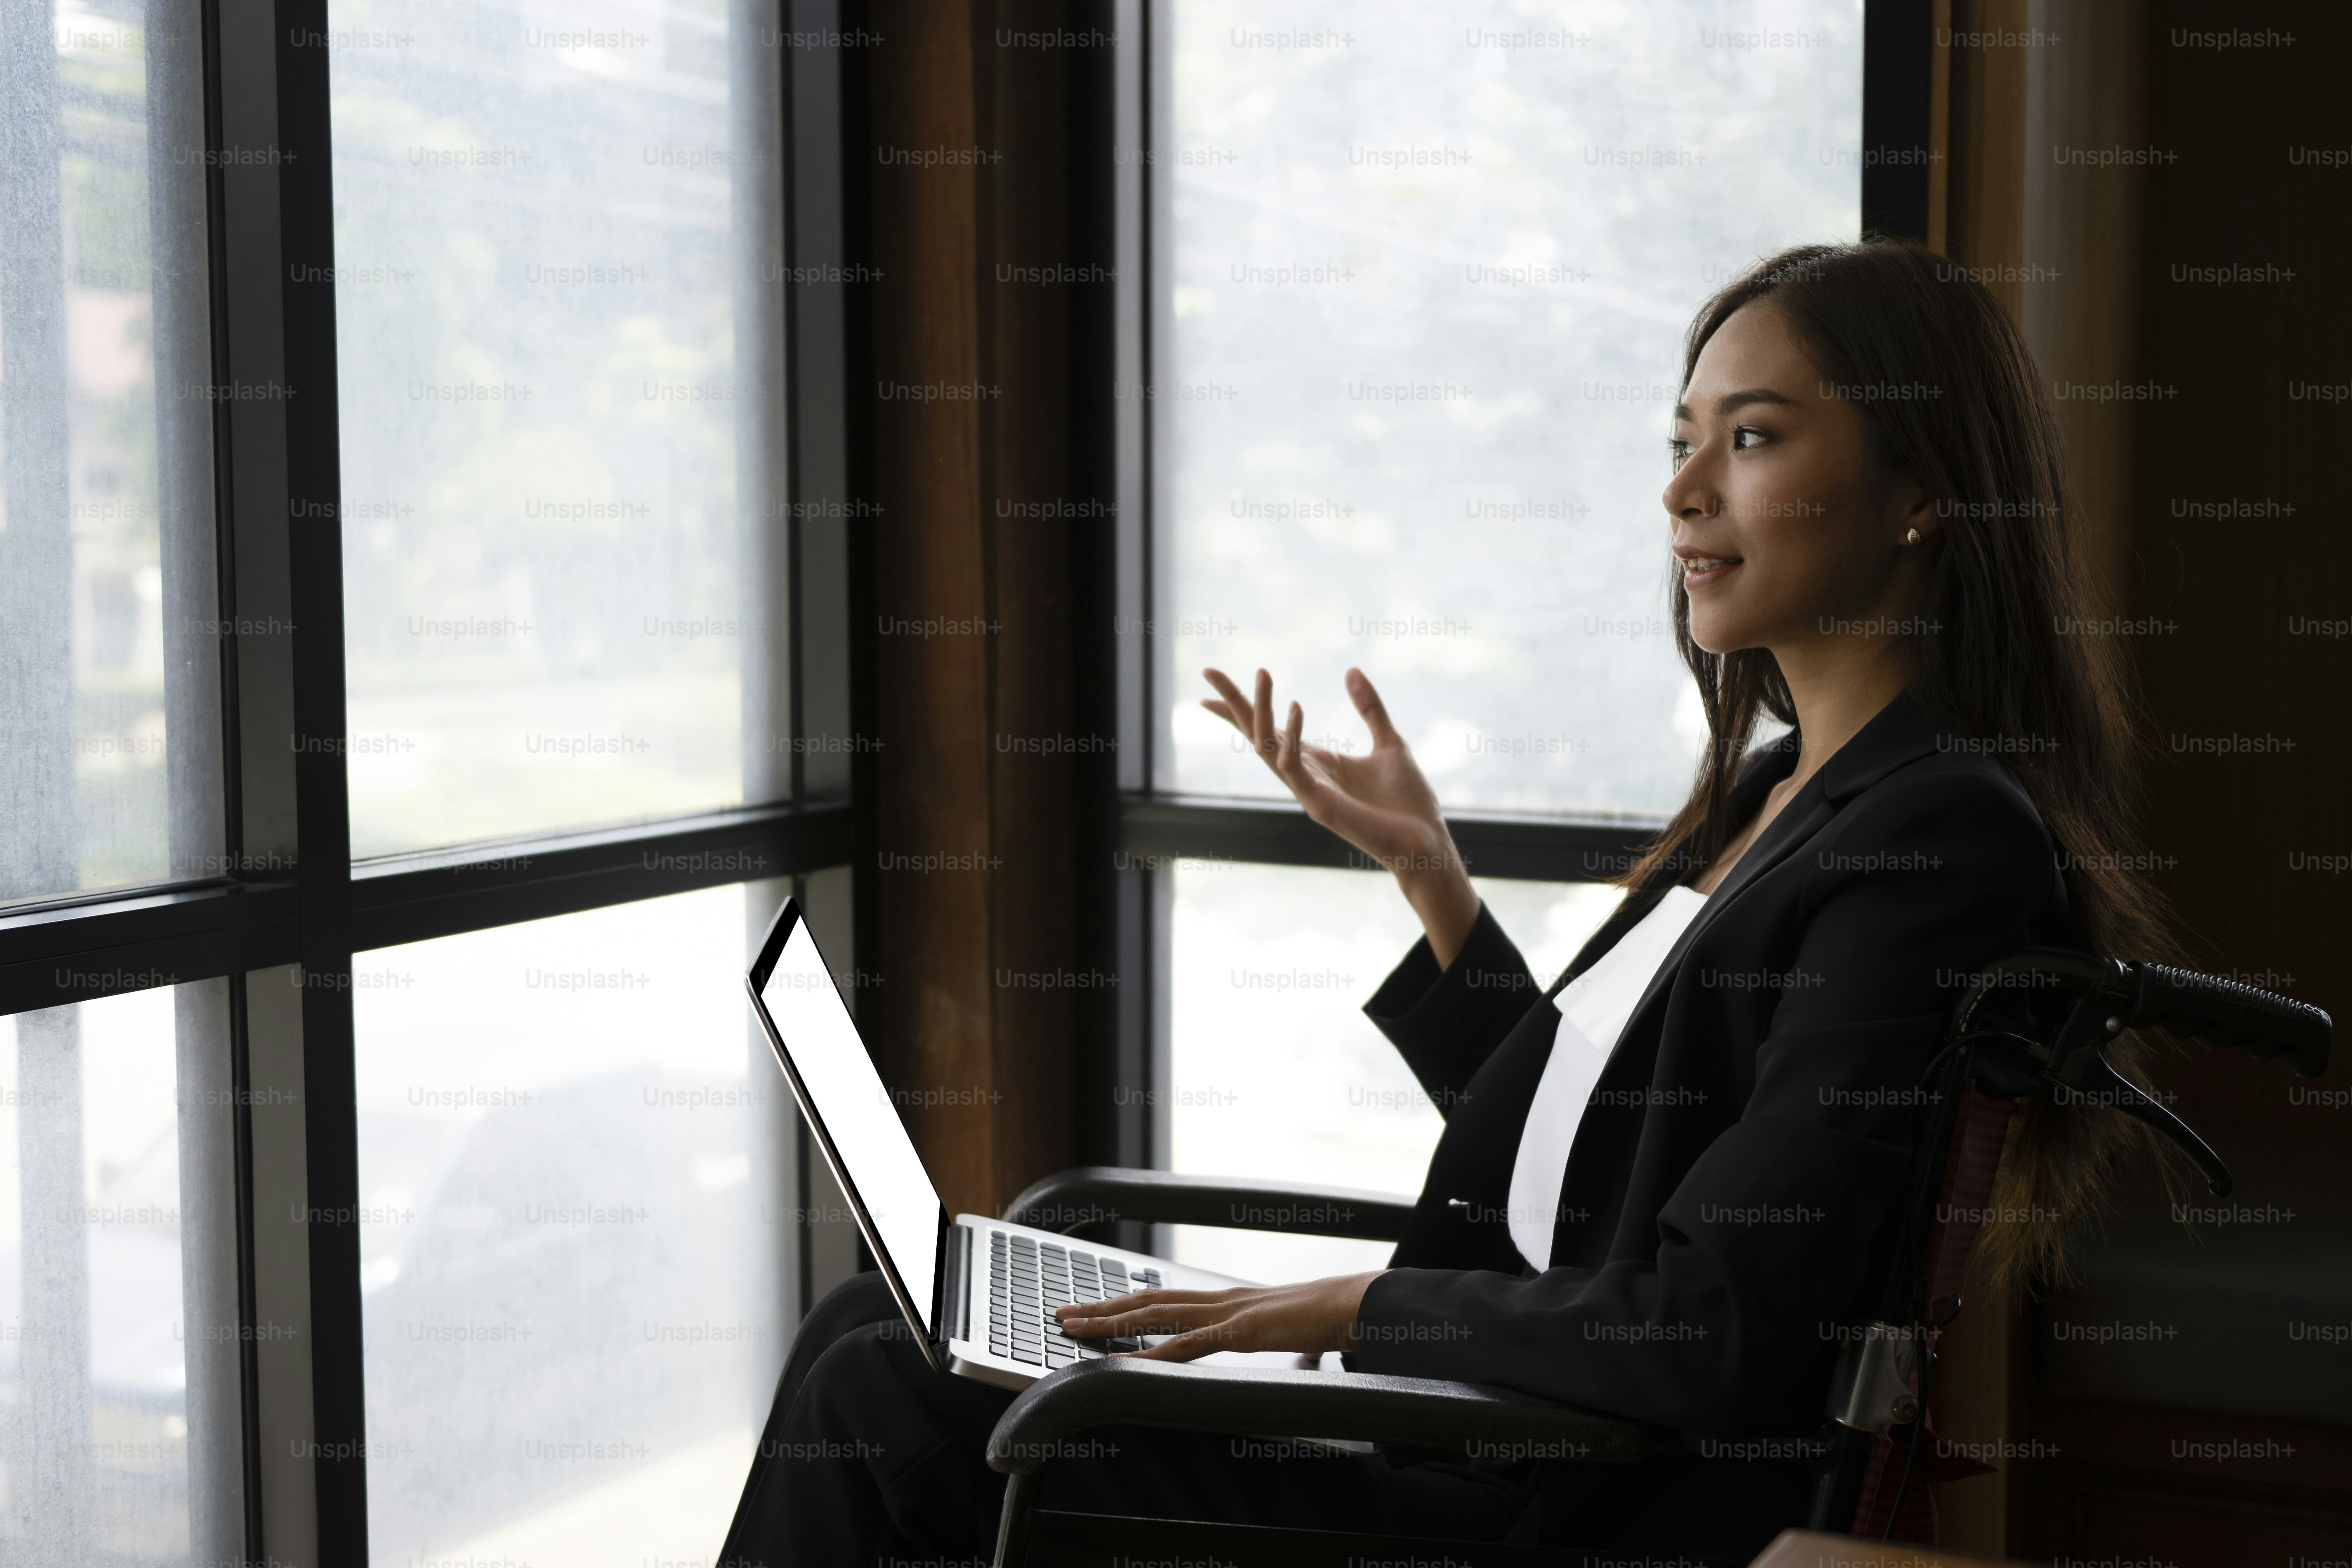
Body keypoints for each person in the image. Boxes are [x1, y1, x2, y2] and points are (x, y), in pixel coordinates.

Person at [717, 238, 2175, 1564]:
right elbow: (1587, 1161)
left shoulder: (1937, 842)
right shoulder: (1775, 793)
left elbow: (1722, 1322)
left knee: (883, 1387)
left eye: (1751, 438)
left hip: (1536, 1497)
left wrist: (1349, 1309)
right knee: (879, 1319)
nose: (1682, 493)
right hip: (1460, 1420)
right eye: (1681, 441)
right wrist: (1434, 879)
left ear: (1922, 491)